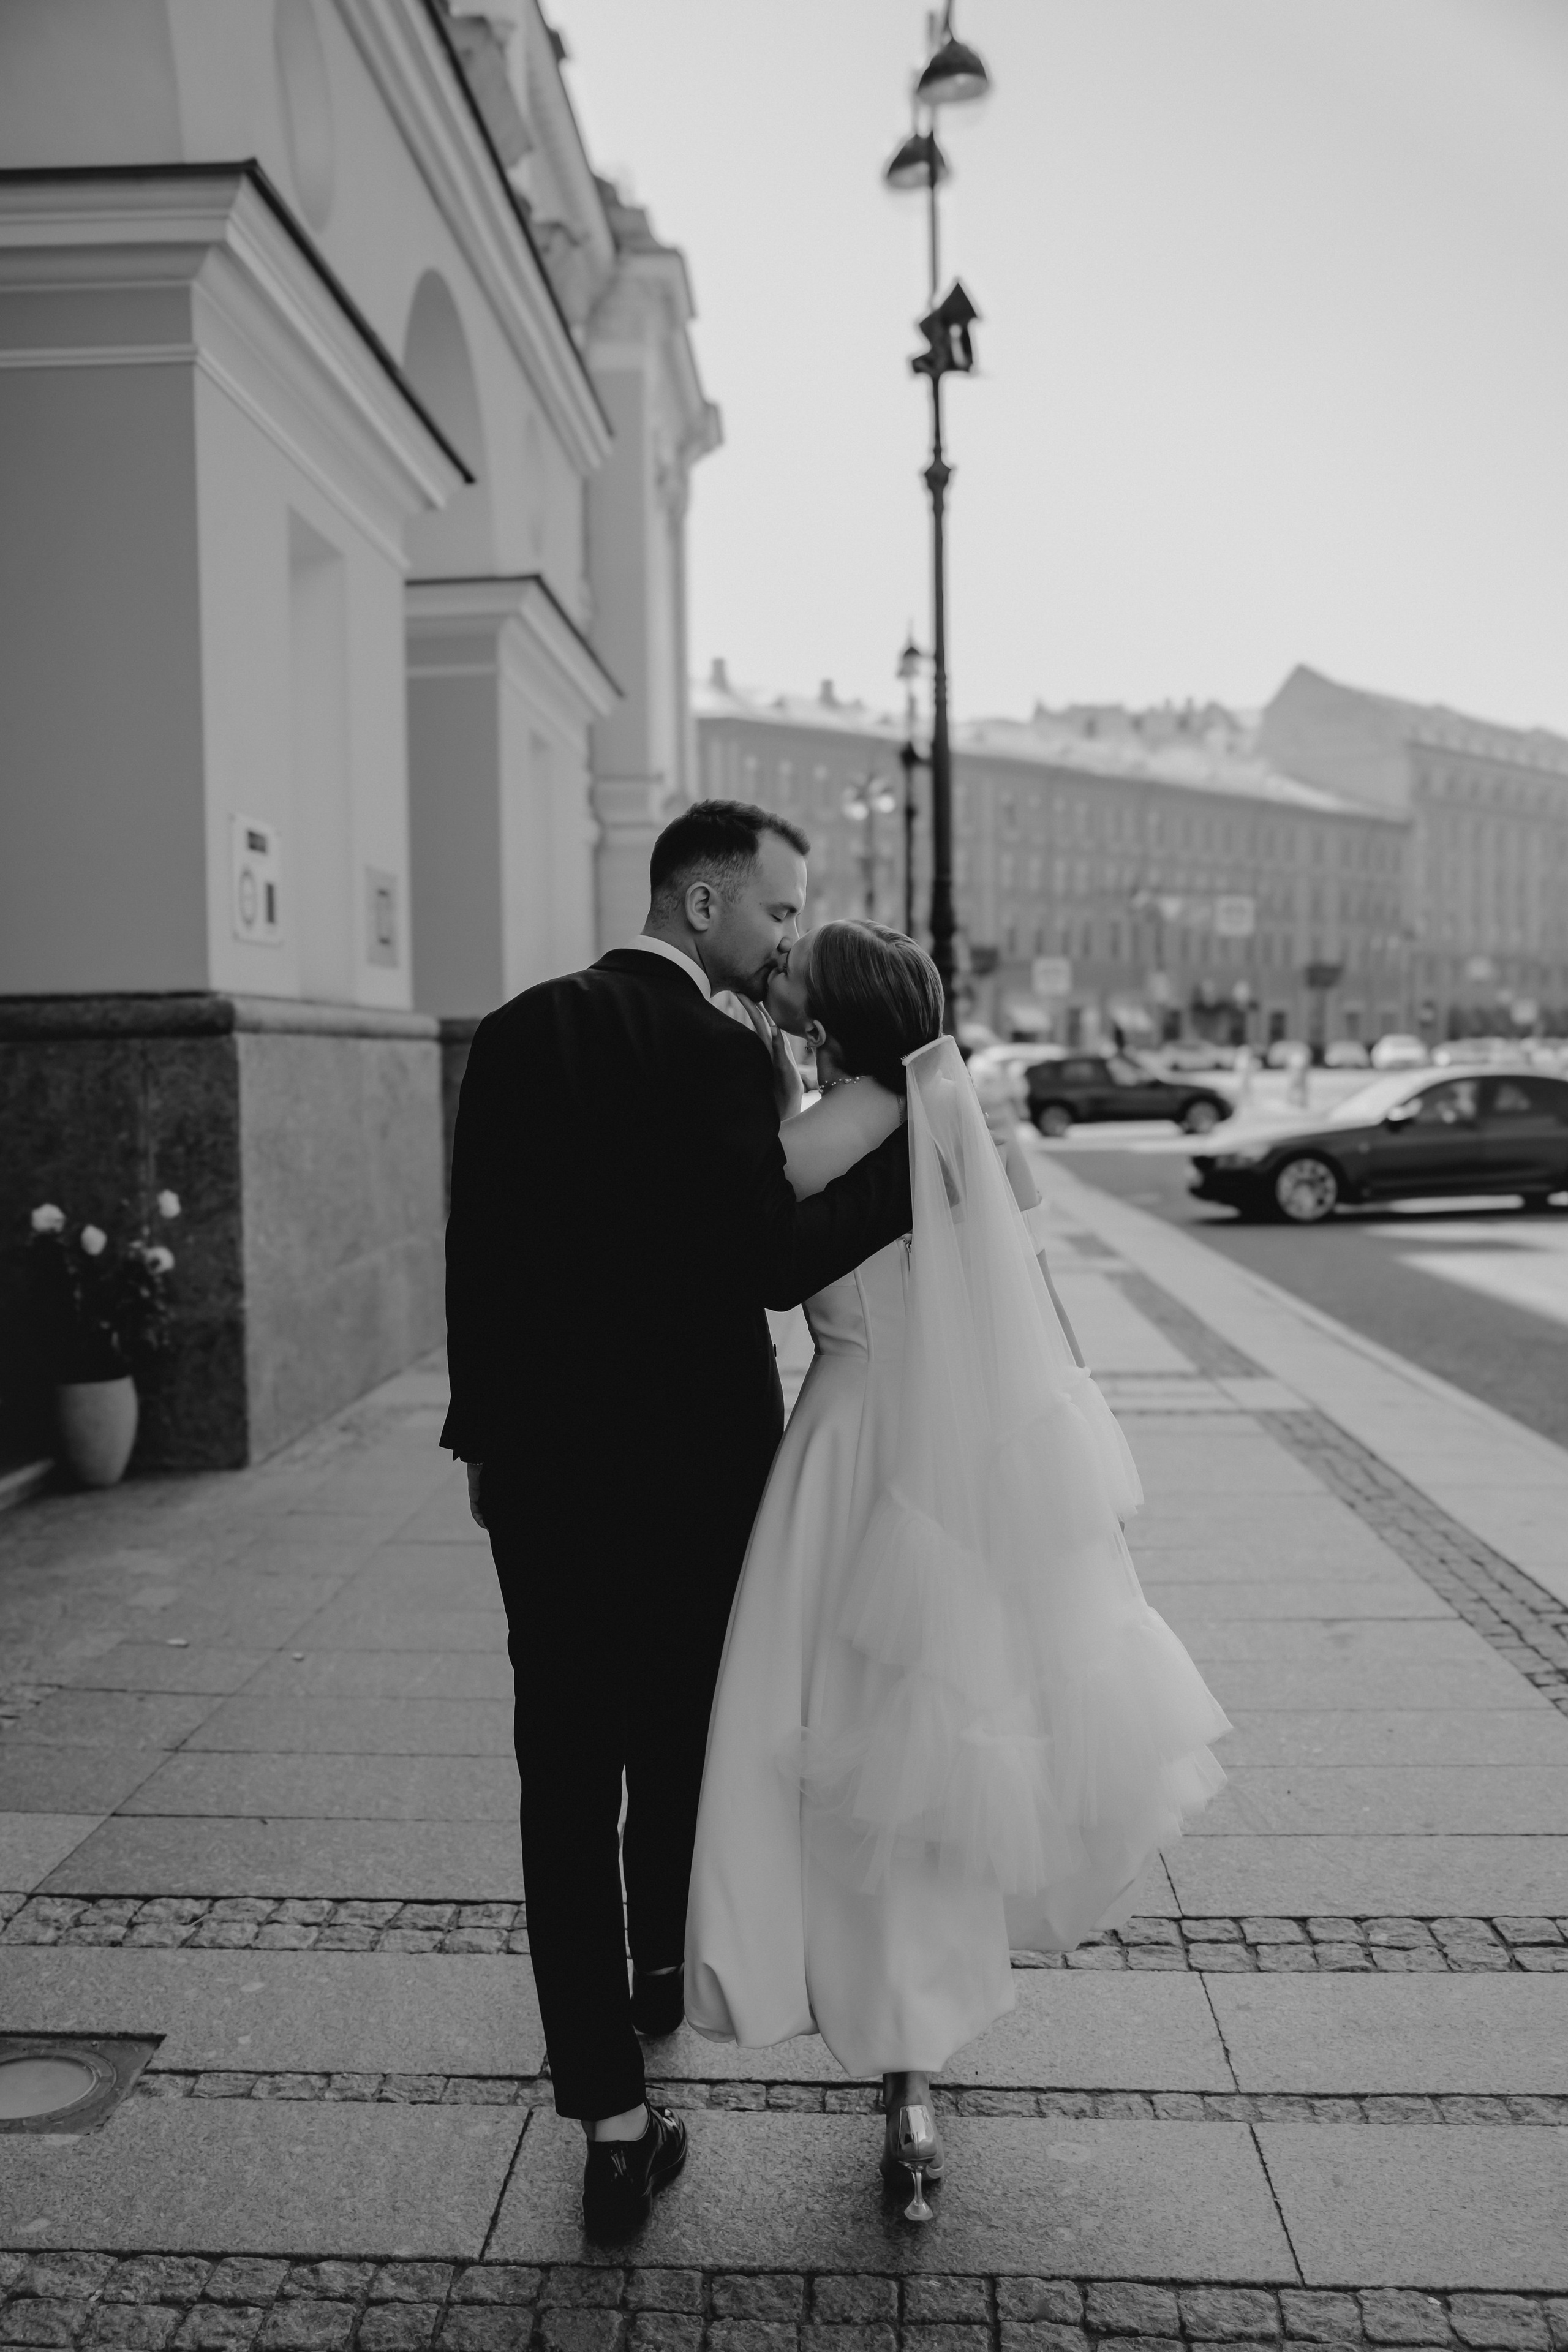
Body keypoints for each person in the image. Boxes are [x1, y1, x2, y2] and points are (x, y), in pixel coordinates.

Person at [686, 919, 1230, 2220]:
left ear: (830, 1022)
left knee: (825, 1742)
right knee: (935, 1752)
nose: (779, 996)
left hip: (847, 1446)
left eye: (792, 988)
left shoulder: (814, 1136)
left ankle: (874, 2034)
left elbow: (759, 1252)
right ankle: (913, 2074)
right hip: (963, 1458)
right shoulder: (962, 1119)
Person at [441, 805, 913, 2242]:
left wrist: (484, 1443)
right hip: (695, 1481)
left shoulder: (515, 1033)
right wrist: (908, 1179)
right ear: (701, 900)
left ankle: (609, 2119)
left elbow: (480, 1259)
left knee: (563, 1782)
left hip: (540, 1481)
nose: (785, 938)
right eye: (777, 912)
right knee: (680, 1735)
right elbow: (766, 1264)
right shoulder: (717, 1055)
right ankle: (663, 1975)